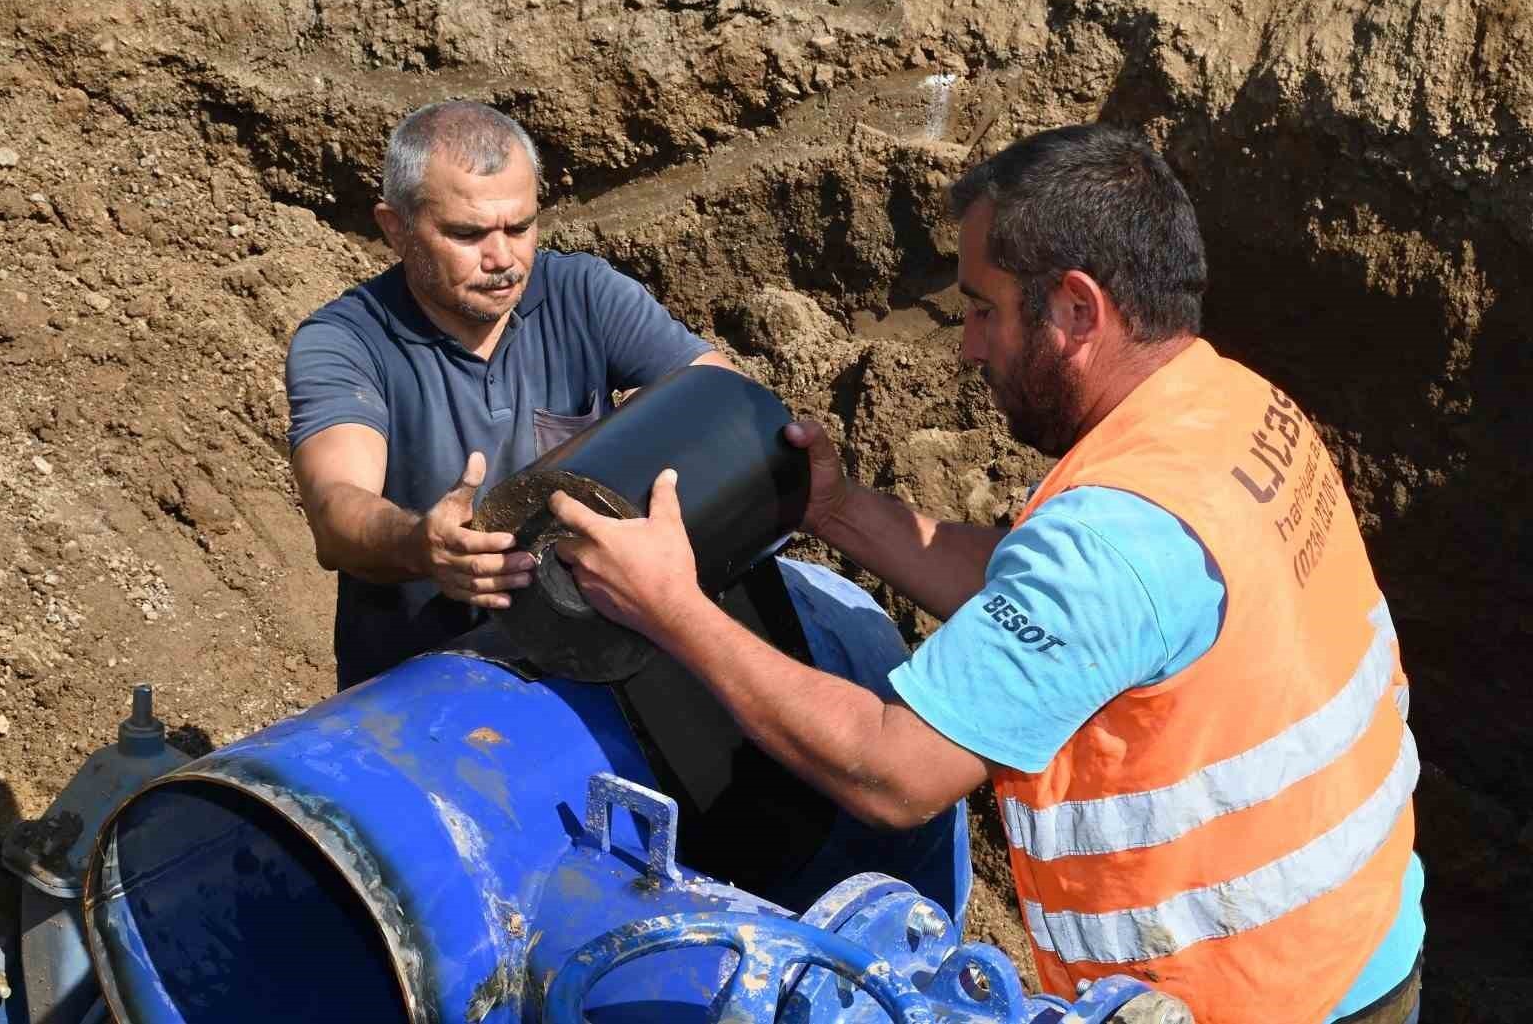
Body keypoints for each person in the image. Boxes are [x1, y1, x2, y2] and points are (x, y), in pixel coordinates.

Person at [544, 124, 1426, 1024]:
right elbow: (1055, 611)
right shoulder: (1229, 407)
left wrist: (672, 607)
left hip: (1243, 996)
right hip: (1358, 942)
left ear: (1077, 311)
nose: (969, 347)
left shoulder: (1112, 541)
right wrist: (837, 508)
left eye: (985, 309)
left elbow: (895, 770)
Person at [284, 101, 736, 689]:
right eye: (467, 234)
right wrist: (422, 544)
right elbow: (336, 506)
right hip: (423, 687)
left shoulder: (585, 295)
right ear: (395, 229)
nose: (502, 259)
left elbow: (720, 397)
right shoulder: (346, 340)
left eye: (520, 227)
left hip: (598, 664)